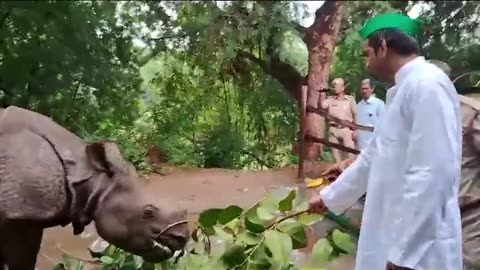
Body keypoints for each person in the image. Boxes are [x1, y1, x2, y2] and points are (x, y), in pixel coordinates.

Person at [309, 13, 463, 270]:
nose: (366, 62)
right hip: (393, 233)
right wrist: (329, 198)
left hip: (420, 252)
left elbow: (432, 173)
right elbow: (373, 157)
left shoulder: (427, 86)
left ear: (383, 47)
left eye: (367, 53)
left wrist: (405, 254)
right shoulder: (401, 91)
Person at [322, 78, 357, 164]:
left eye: (336, 85)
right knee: (336, 155)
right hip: (333, 129)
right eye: (333, 86)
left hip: (346, 129)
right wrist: (321, 94)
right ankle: (339, 173)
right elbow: (321, 106)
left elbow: (355, 114)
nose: (334, 87)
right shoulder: (330, 100)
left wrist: (355, 130)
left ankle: (351, 173)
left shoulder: (350, 100)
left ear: (342, 87)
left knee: (351, 154)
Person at [356, 79, 385, 150]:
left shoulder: (379, 104)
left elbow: (384, 124)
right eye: (362, 89)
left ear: (372, 89)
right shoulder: (358, 105)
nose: (364, 91)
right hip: (360, 144)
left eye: (366, 88)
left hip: (375, 144)